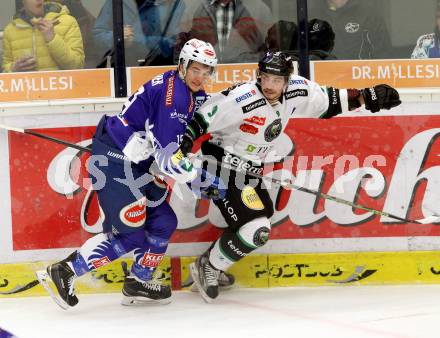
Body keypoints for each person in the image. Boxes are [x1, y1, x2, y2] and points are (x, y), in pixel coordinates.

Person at [178, 50, 401, 303]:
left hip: (249, 171)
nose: (270, 86)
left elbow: (329, 100)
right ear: (258, 76)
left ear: (287, 80)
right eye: (265, 78)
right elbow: (200, 120)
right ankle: (210, 266)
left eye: (277, 80)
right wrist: (182, 148)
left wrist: (365, 96)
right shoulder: (242, 97)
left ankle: (212, 260)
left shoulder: (297, 89)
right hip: (221, 167)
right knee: (256, 228)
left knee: (259, 216)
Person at [37, 38, 226, 309]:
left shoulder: (184, 89)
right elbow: (169, 158)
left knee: (162, 222)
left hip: (137, 163)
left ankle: (139, 279)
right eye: (196, 69)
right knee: (130, 234)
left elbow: (204, 111)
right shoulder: (174, 97)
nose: (201, 77)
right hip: (115, 161)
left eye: (207, 72)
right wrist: (198, 178)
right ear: (182, 65)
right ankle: (65, 271)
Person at [175, 0, 274, 64]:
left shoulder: (260, 9)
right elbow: (181, 47)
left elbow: (269, 50)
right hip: (202, 76)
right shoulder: (193, 8)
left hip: (246, 79)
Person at [2, 0, 84, 72]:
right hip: (27, 88)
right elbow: (5, 70)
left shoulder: (67, 22)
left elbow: (77, 66)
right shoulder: (10, 30)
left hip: (61, 87)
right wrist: (14, 68)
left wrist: (52, 39)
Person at [308, 0, 392, 59]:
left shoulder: (369, 15)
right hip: (319, 80)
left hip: (358, 80)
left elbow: (383, 57)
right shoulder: (310, 14)